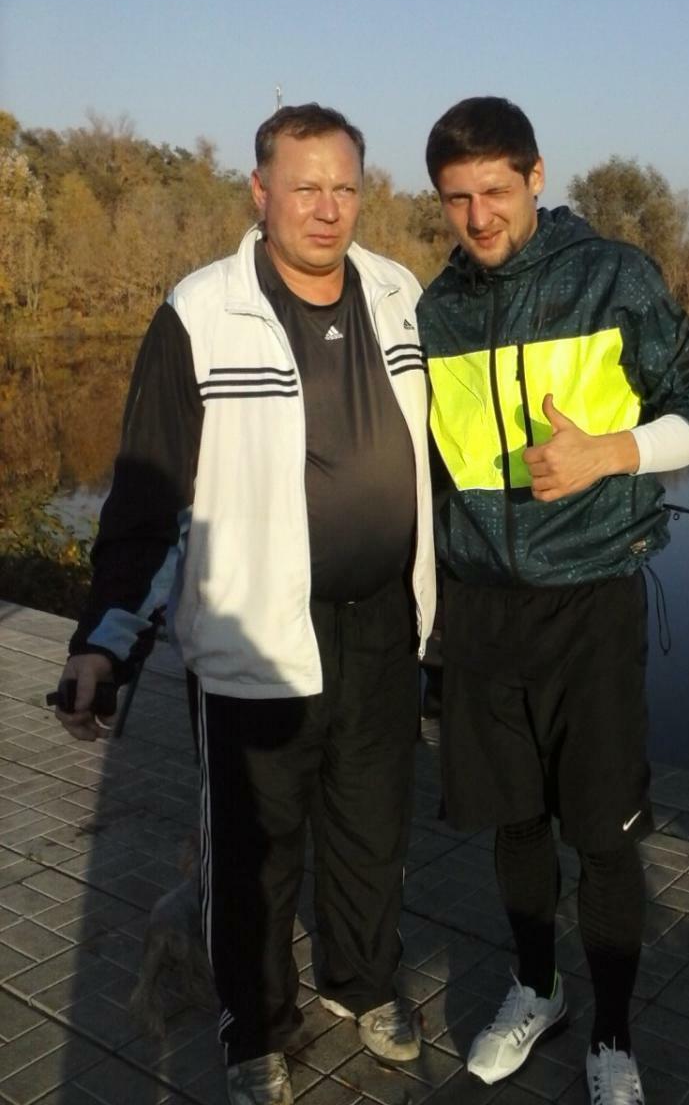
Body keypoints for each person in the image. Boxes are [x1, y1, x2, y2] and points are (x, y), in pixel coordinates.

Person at [54, 104, 436, 1105]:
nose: (327, 208)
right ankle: (255, 1030)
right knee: (253, 856)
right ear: (260, 192)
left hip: (382, 625)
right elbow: (148, 499)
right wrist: (104, 645)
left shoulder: (399, 293)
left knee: (371, 832)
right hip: (254, 641)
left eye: (344, 187)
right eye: (304, 187)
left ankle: (362, 983)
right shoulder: (201, 312)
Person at [418, 97, 689, 1105]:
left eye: (495, 191)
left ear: (536, 177)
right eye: (456, 199)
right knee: (514, 824)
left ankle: (613, 1036)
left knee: (602, 834)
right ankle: (537, 987)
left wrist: (614, 452)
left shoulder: (612, 276)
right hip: (481, 612)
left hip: (592, 603)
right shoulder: (434, 310)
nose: (478, 217)